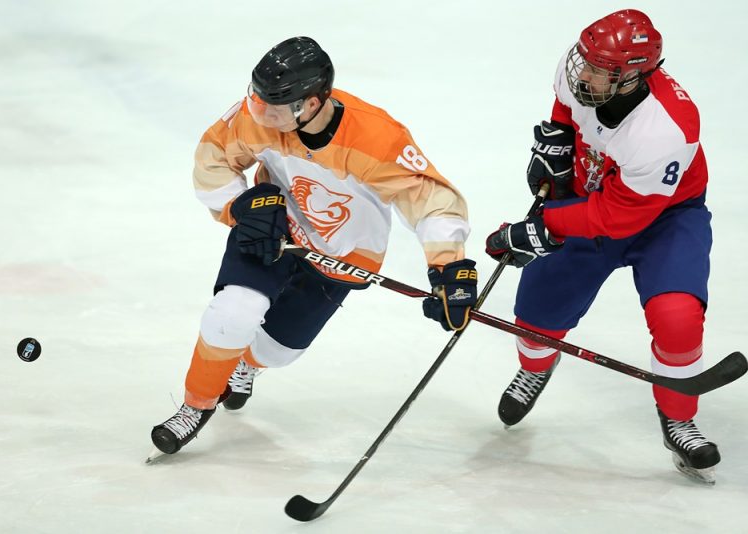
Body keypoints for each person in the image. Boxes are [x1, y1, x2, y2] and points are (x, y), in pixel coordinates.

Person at [150, 36, 476, 457]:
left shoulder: (376, 137)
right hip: (273, 229)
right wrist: (244, 204)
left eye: (276, 106)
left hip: (343, 252)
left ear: (314, 103)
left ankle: (245, 364)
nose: (261, 113)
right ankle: (196, 405)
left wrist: (448, 266)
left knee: (279, 351)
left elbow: (428, 199)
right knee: (233, 312)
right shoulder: (262, 117)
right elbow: (213, 158)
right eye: (258, 99)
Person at [485, 10, 720, 483]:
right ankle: (536, 367)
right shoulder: (585, 74)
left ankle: (678, 418)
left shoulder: (666, 130)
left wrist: (544, 225)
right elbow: (565, 111)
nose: (582, 74)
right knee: (535, 315)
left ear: (633, 74)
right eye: (584, 61)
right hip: (592, 191)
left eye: (598, 69)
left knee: (677, 317)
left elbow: (614, 218)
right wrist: (557, 143)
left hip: (664, 218)